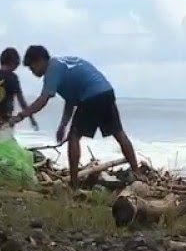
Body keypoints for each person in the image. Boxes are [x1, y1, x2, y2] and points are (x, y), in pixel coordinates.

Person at [8, 45, 143, 189]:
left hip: (91, 95)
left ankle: (74, 183)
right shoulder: (62, 64)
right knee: (118, 133)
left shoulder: (52, 70)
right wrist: (63, 125)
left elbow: (42, 100)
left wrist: (21, 116)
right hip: (106, 91)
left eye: (32, 67)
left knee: (74, 137)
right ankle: (137, 173)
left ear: (40, 60)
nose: (33, 71)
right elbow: (71, 101)